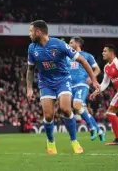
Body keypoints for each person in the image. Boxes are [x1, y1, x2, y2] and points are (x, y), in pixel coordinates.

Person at [26, 20, 101, 154]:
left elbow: (82, 60)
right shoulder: (32, 48)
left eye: (31, 31)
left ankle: (74, 141)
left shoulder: (59, 45)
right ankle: (50, 142)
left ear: (38, 32)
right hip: (45, 82)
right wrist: (29, 88)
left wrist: (94, 80)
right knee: (48, 116)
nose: (29, 34)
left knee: (66, 109)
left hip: (63, 80)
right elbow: (30, 69)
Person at [68, 37, 105, 142]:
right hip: (71, 87)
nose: (69, 44)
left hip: (82, 84)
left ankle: (92, 128)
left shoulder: (87, 56)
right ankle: (99, 131)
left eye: (71, 42)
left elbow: (97, 69)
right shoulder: (68, 57)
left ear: (78, 44)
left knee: (76, 106)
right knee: (83, 111)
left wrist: (92, 77)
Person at [90, 44, 118, 145]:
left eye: (105, 51)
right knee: (110, 113)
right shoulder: (106, 67)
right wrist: (96, 92)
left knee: (110, 112)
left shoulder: (117, 63)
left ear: (111, 52)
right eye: (102, 51)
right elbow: (105, 83)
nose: (103, 53)